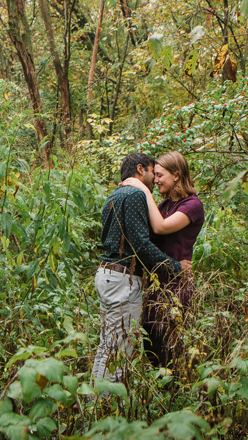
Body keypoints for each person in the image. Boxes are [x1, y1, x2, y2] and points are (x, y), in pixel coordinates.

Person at [92, 153, 192, 385]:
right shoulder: (136, 194)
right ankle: (108, 411)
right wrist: (175, 267)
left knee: (107, 345)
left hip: (106, 275)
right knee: (120, 351)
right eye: (152, 173)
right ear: (140, 170)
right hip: (122, 280)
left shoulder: (113, 195)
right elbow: (141, 245)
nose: (154, 180)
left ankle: (94, 402)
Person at [121, 151, 204, 368]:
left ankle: (177, 389)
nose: (155, 180)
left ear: (176, 175)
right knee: (151, 336)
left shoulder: (192, 205)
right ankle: (167, 386)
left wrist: (143, 190)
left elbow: (161, 227)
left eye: (160, 175)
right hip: (157, 281)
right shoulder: (165, 206)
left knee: (168, 339)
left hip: (177, 281)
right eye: (154, 175)